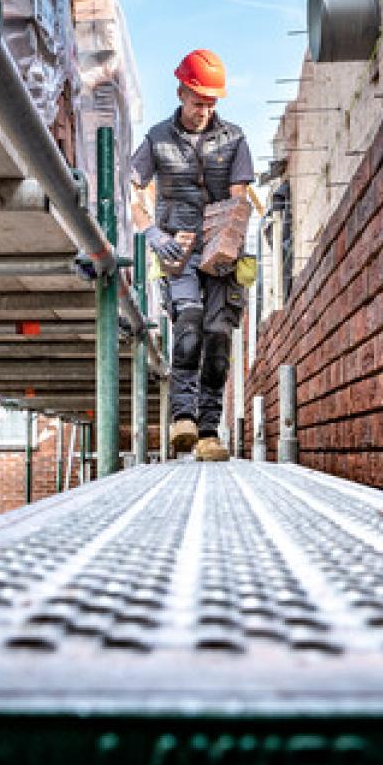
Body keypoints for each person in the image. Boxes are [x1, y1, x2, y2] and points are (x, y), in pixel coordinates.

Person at [128, 49, 256, 461]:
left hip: (223, 256)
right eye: (198, 100)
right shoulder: (157, 140)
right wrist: (151, 231)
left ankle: (208, 434)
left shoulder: (234, 139)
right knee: (189, 322)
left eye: (211, 103)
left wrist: (228, 244)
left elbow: (239, 201)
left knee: (218, 339)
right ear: (181, 91)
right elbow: (132, 189)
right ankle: (182, 420)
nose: (204, 110)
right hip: (177, 251)